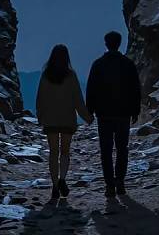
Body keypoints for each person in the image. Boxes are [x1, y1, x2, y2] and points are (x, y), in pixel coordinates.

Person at [86, 31, 141, 197]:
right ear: (119, 43)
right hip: (123, 113)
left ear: (106, 43)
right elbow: (135, 89)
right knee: (122, 148)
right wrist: (135, 110)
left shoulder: (98, 64)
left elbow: (91, 89)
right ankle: (120, 182)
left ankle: (109, 185)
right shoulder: (128, 64)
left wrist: (90, 110)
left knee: (106, 150)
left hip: (104, 114)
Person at [36, 44, 93, 199]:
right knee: (65, 151)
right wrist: (87, 117)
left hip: (50, 120)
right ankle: (62, 179)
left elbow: (40, 98)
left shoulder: (46, 75)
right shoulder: (71, 75)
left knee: (53, 153)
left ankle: (54, 185)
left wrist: (40, 116)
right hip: (67, 119)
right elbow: (78, 100)